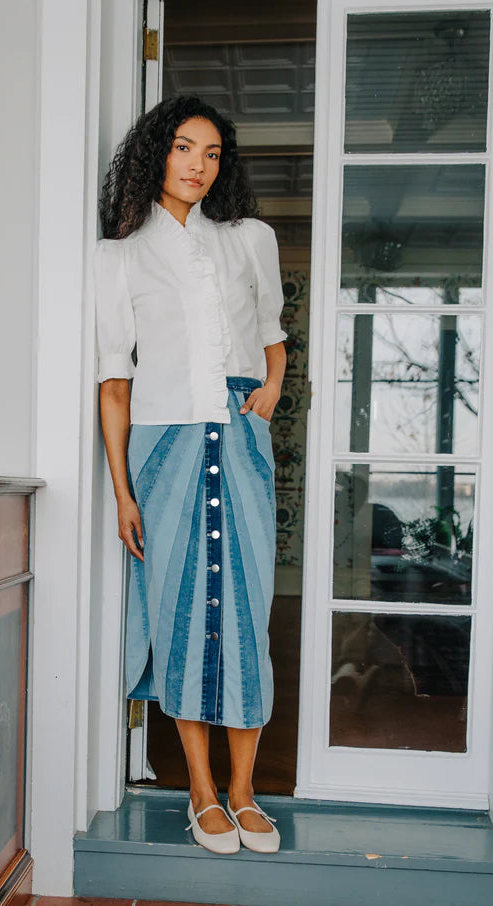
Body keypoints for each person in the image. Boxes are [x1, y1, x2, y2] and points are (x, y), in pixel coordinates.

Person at [94, 95, 286, 855]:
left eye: (211, 154)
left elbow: (272, 335)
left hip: (240, 440)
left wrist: (268, 393)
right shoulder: (118, 257)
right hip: (161, 447)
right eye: (183, 148)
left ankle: (244, 792)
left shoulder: (250, 240)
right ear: (156, 153)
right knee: (179, 610)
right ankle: (200, 792)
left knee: (246, 611)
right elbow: (116, 383)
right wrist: (121, 491)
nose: (198, 166)